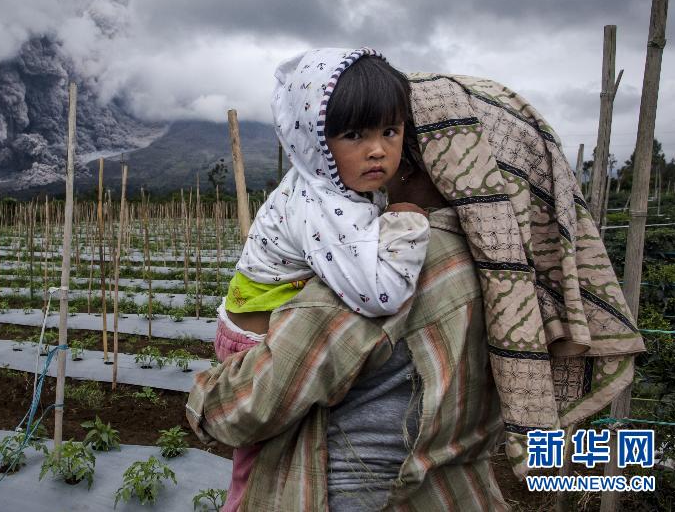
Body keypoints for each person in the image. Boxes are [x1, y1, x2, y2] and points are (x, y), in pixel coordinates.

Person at [188, 66, 645, 510]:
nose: (384, 154)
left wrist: (202, 404)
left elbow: (247, 407)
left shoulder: (390, 263)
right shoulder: (512, 279)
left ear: (427, 158)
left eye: (395, 133)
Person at [214, 49, 430, 512]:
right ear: (314, 139)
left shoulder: (336, 186)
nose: (377, 149)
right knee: (261, 466)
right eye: (354, 134)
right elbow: (380, 293)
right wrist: (406, 224)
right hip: (254, 349)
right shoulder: (324, 204)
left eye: (390, 131)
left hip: (262, 326)